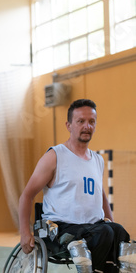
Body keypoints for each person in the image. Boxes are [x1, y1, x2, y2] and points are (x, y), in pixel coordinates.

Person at [19, 99, 130, 273]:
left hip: (94, 227)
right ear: (69, 125)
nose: (87, 126)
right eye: (81, 121)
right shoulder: (55, 156)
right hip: (62, 228)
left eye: (91, 122)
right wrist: (25, 233)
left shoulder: (97, 160)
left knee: (119, 233)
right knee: (105, 233)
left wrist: (111, 223)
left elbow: (100, 195)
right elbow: (27, 195)